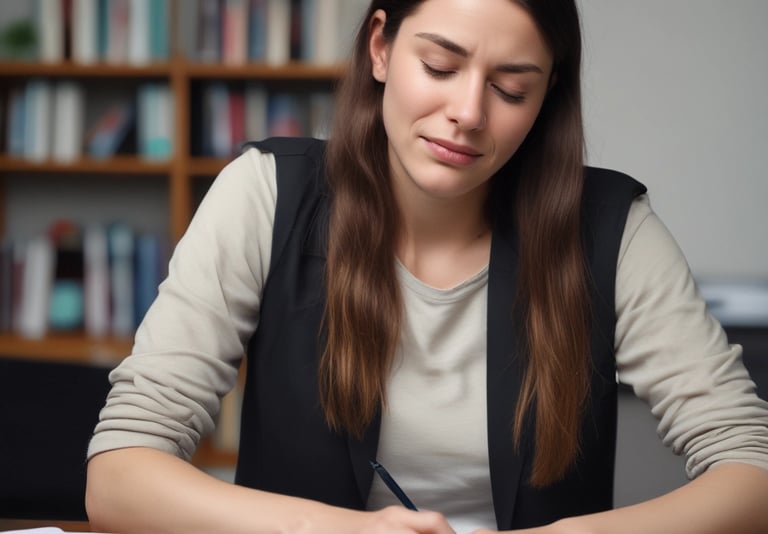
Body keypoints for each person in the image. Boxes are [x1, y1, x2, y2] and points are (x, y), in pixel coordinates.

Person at [85, 0, 768, 532]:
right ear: (380, 46)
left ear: (547, 95)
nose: (466, 113)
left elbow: (754, 470)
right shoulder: (264, 194)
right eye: (440, 67)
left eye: (510, 89)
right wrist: (327, 529)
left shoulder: (613, 229)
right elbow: (119, 476)